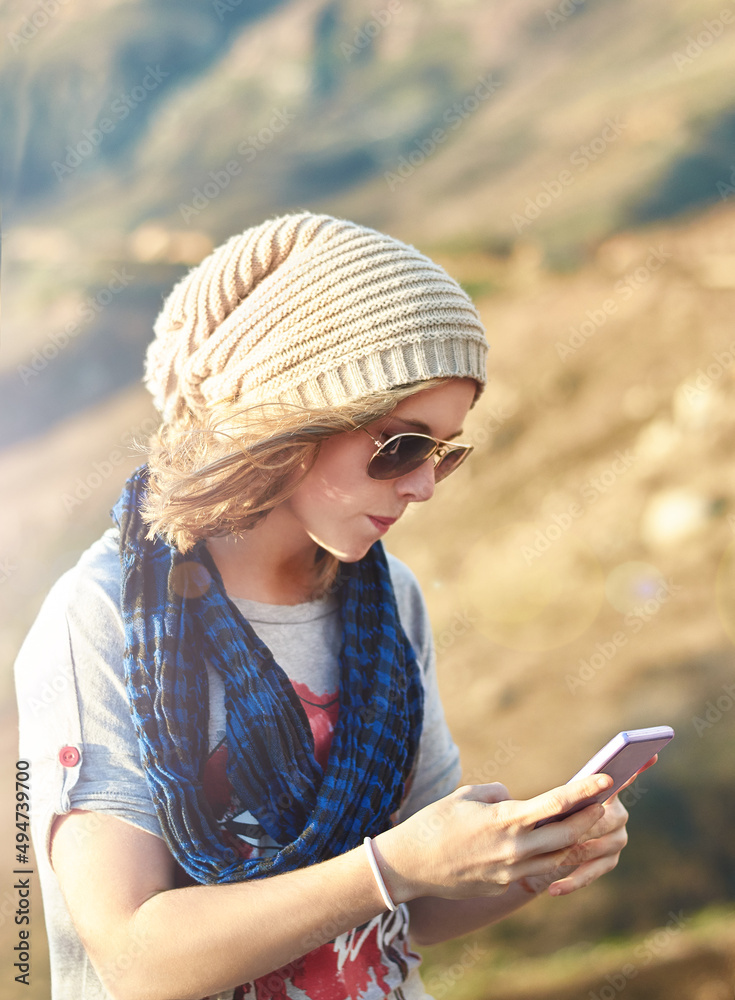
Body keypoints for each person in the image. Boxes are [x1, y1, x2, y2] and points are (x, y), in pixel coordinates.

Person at [16, 212, 631, 1000]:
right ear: (285, 418)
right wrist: (392, 866)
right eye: (401, 445)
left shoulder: (386, 602)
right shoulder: (98, 616)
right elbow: (137, 961)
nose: (421, 485)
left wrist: (524, 861)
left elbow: (410, 908)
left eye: (445, 453)